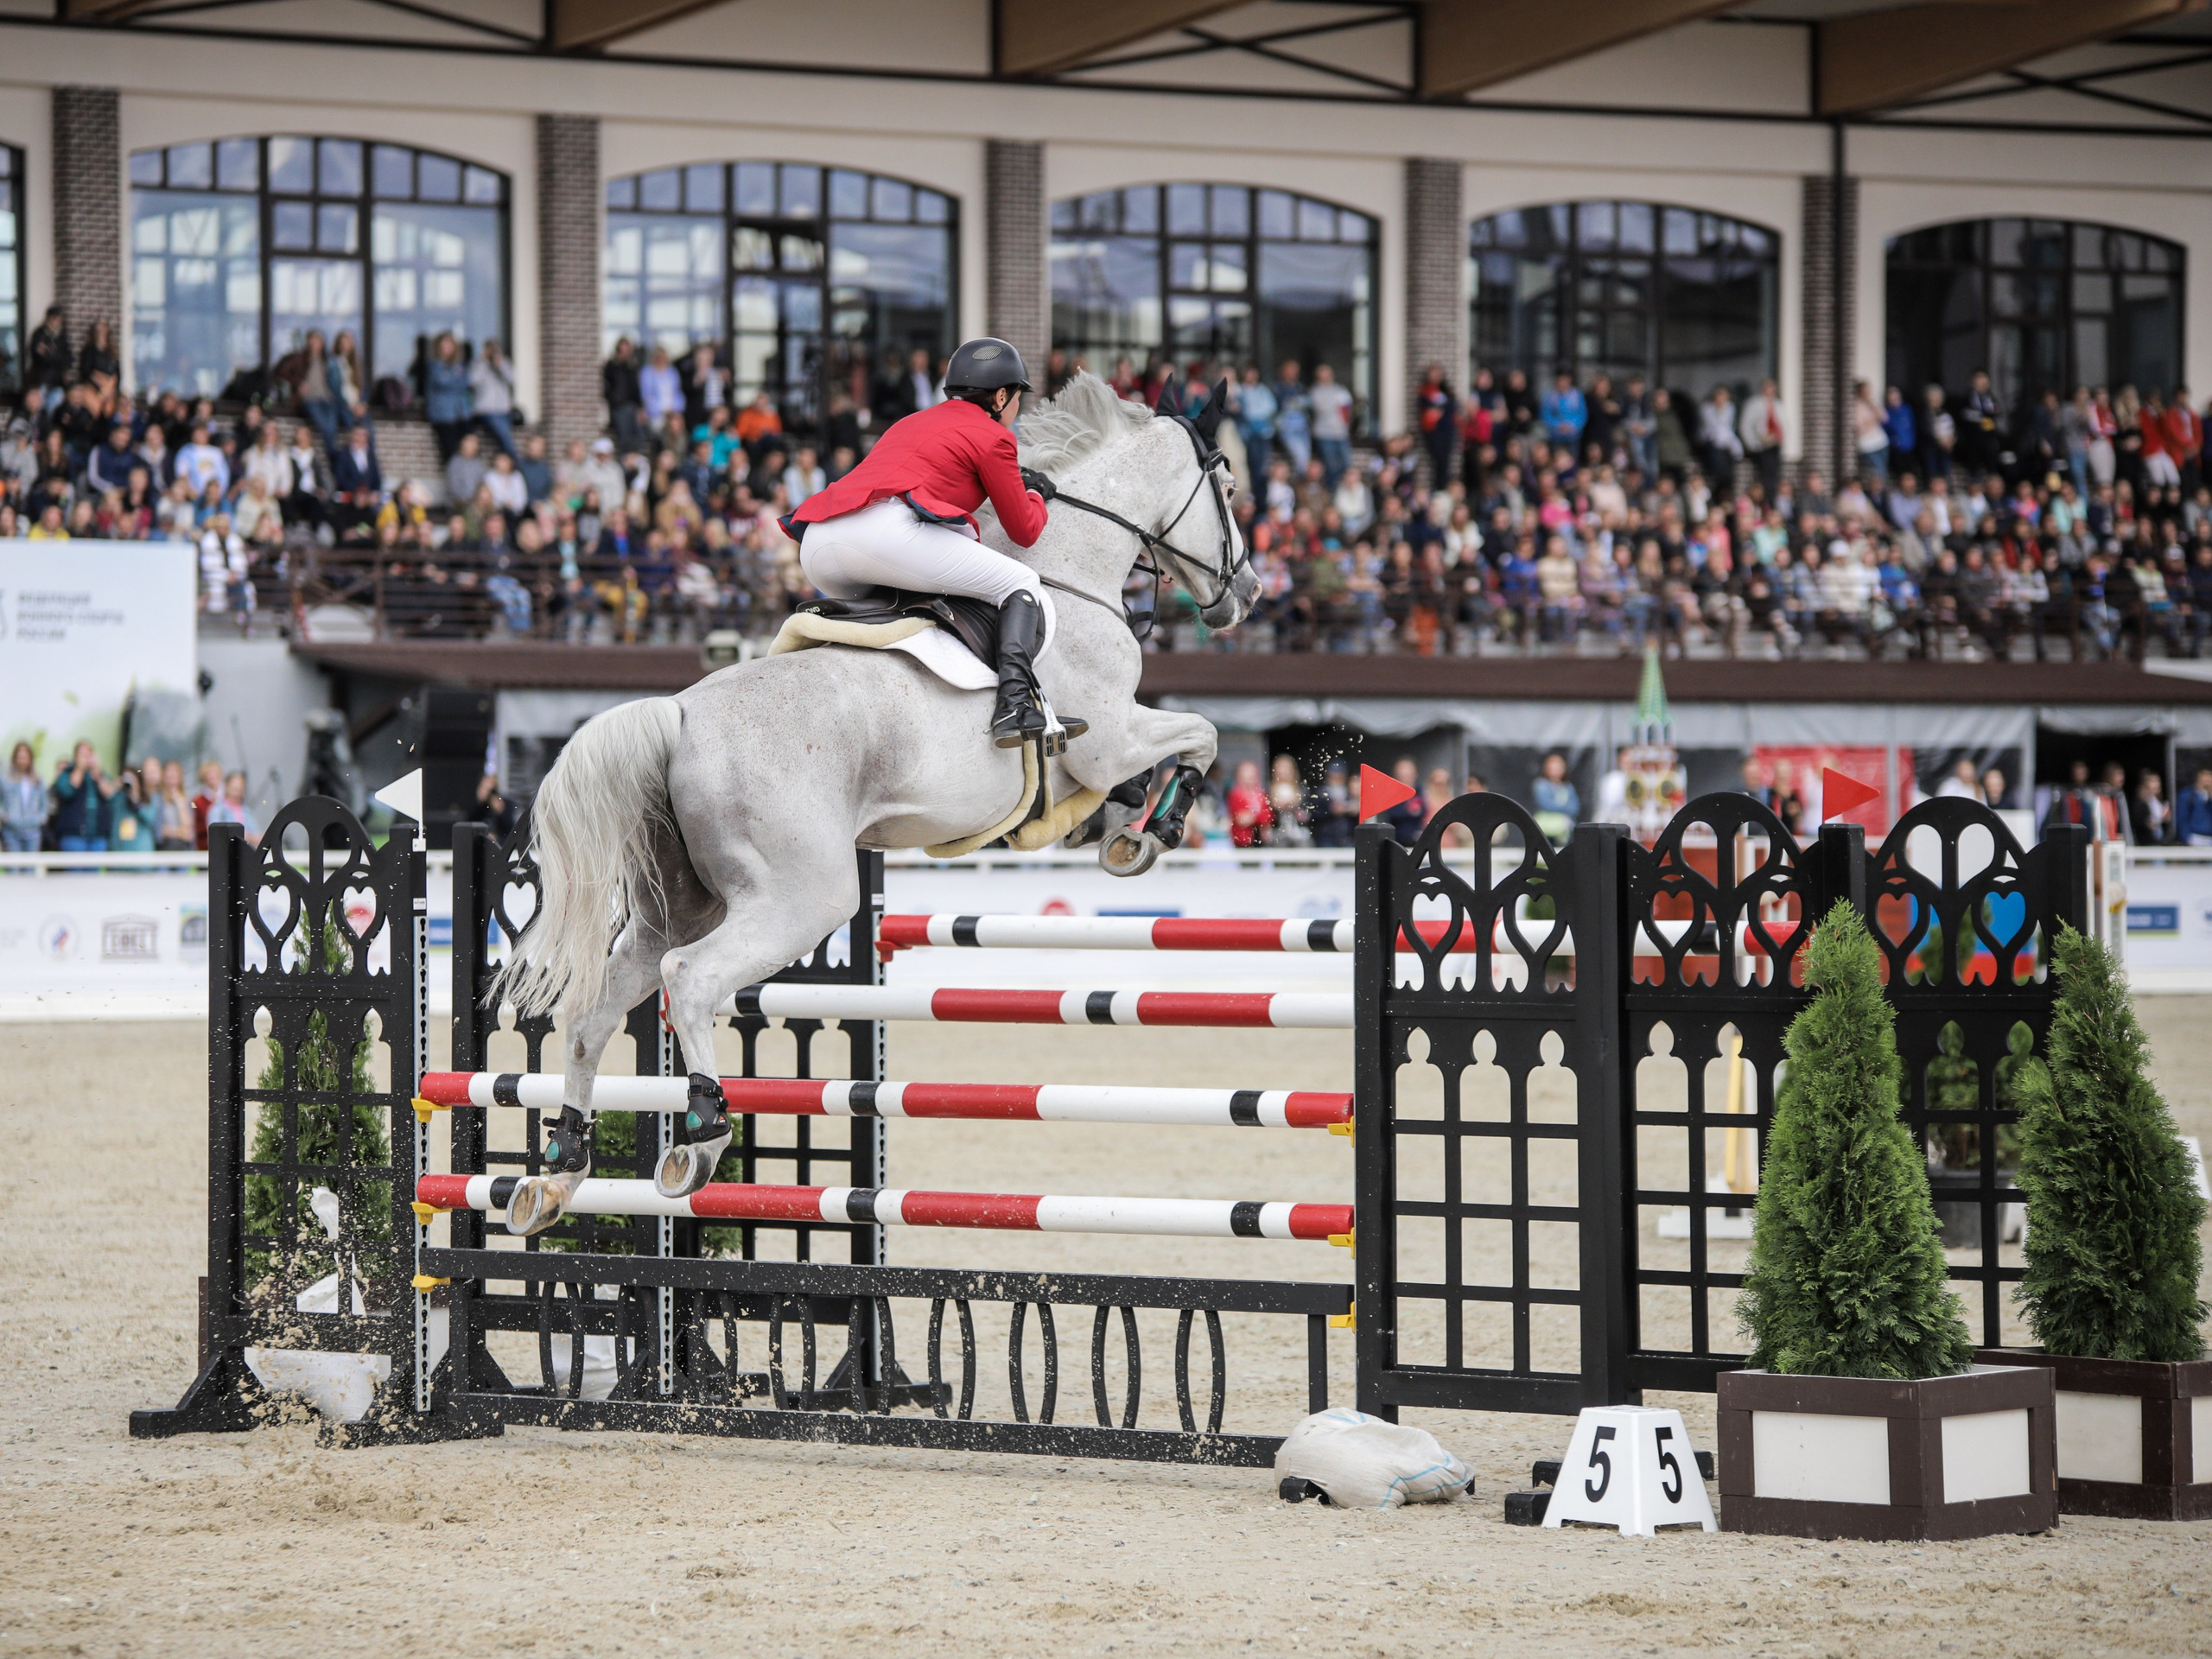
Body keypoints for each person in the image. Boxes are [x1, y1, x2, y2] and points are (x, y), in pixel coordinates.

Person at [785, 337, 1075, 749]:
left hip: (818, 543)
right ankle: (1013, 702)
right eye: (1017, 399)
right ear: (1000, 396)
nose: (1016, 409)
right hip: (882, 534)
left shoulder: (910, 421)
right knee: (1021, 582)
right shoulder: (995, 436)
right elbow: (1024, 532)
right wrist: (1034, 495)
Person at [49, 741, 117, 852]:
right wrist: (80, 768)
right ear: (75, 757)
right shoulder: (66, 773)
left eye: (88, 754)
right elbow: (68, 791)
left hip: (98, 836)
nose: (86, 757)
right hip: (73, 836)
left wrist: (98, 773)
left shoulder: (99, 774)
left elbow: (109, 794)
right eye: (82, 754)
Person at [2, 741, 47, 853]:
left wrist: (40, 818)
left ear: (30, 759)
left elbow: (43, 804)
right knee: (13, 868)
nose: (22, 761)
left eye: (25, 757)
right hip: (11, 831)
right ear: (14, 759)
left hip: (32, 831)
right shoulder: (5, 779)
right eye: (20, 757)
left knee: (30, 868)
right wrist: (3, 815)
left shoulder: (38, 780)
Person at [1377, 757, 1426, 847]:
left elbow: (1423, 811)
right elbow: (1392, 813)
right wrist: (1409, 811)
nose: (1406, 774)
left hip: (1416, 840)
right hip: (1397, 840)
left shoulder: (1420, 791)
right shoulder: (1392, 792)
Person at [205, 770, 261, 846]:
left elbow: (256, 834)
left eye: (240, 789)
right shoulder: (217, 810)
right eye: (234, 789)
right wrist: (243, 837)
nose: (237, 793)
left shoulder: (246, 811)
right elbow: (215, 836)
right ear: (227, 787)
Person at [1225, 760, 1273, 848]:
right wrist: (1258, 817)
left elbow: (1268, 817)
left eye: (1252, 775)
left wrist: (1252, 816)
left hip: (1260, 839)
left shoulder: (1261, 795)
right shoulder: (1235, 794)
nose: (1249, 778)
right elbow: (1241, 820)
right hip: (1243, 839)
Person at [2174, 766, 2212, 845]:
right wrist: (2187, 838)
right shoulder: (2187, 795)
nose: (2207, 779)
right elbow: (2182, 819)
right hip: (2195, 838)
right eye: (2205, 775)